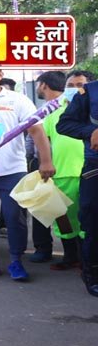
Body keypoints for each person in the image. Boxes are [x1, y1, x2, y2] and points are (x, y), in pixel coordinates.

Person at [0, 69, 55, 281]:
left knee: (14, 218)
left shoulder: (18, 100)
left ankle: (16, 261)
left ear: (0, 74)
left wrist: (46, 160)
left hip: (12, 171)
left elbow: (36, 131)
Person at [33, 71, 84, 270]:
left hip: (88, 172)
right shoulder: (52, 111)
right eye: (70, 85)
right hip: (59, 173)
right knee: (63, 220)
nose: (73, 89)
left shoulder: (92, 110)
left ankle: (88, 260)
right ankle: (71, 257)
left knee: (87, 219)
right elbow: (42, 140)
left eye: (79, 84)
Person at [56, 77, 98, 297]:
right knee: (93, 222)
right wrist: (90, 131)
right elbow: (64, 124)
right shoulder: (90, 92)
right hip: (96, 167)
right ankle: (91, 274)